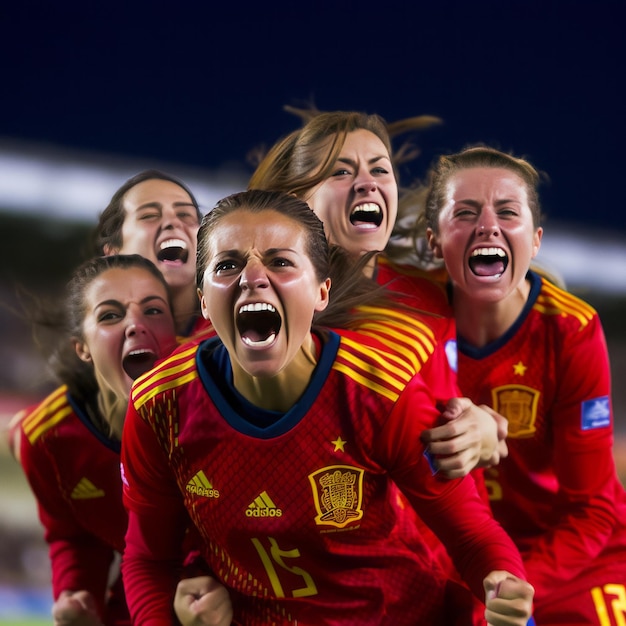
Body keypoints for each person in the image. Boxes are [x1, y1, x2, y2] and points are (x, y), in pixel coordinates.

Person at [121, 189, 535, 625]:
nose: (252, 277)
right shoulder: (157, 405)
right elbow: (149, 559)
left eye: (280, 261)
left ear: (322, 292)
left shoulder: (382, 392)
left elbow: (471, 536)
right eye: (228, 265)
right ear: (204, 300)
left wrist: (503, 586)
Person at [422, 144, 626, 625]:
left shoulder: (571, 332)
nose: (488, 225)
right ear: (434, 242)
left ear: (535, 241)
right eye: (466, 212)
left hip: (570, 561)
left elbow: (592, 511)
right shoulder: (408, 317)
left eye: (507, 212)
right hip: (453, 563)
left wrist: (512, 587)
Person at [9, 254, 232, 626]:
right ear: (81, 348)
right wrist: (76, 591)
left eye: (153, 311)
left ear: (173, 335)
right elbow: (72, 533)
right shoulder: (46, 438)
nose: (134, 325)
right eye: (110, 315)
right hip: (144, 594)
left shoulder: (219, 399)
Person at [93, 169, 211, 339]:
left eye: (185, 214)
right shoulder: (100, 349)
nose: (172, 222)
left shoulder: (231, 340)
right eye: (149, 215)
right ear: (113, 253)